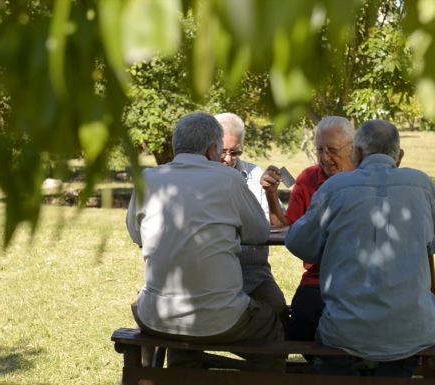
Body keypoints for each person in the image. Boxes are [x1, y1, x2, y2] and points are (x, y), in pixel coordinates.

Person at [285, 119, 435, 377]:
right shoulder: (421, 185)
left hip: (345, 333)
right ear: (399, 156)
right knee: (399, 355)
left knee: (324, 333)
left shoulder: (334, 188)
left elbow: (298, 243)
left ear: (358, 153)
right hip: (409, 334)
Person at [126, 112, 284, 371]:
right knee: (271, 324)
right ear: (213, 149)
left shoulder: (147, 179)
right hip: (221, 318)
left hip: (155, 316)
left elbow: (136, 235)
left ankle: (184, 372)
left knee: (185, 340)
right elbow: (257, 233)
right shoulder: (230, 179)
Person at [262, 116, 355, 344]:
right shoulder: (308, 178)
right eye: (319, 150)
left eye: (332, 150)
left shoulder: (363, 177)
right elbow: (287, 226)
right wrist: (271, 195)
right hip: (318, 278)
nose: (325, 158)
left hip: (358, 277)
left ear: (352, 148)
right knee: (301, 324)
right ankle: (323, 371)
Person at [215, 112, 287, 318]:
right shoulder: (201, 177)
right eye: (222, 151)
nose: (228, 159)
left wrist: (271, 194)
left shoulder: (256, 176)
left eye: (235, 153)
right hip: (213, 276)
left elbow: (279, 226)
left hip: (253, 274)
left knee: (279, 314)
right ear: (211, 147)